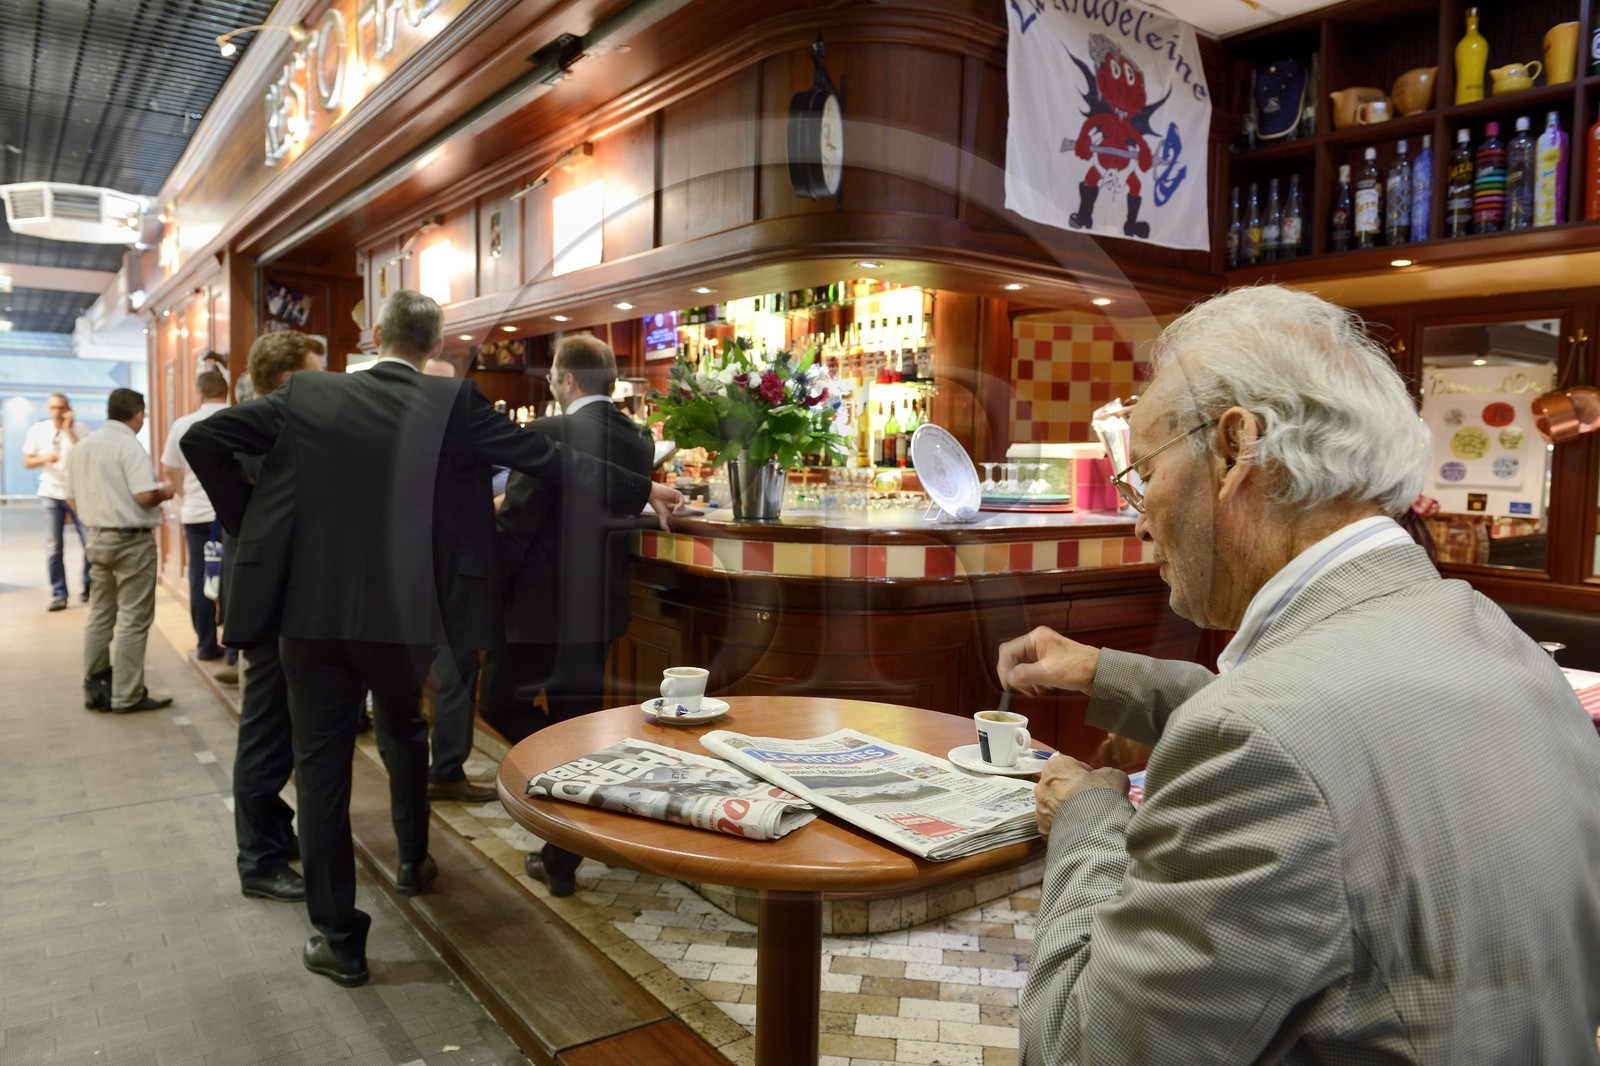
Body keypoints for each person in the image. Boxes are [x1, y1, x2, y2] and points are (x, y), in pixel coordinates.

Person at [995, 285, 1600, 1064]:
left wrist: (1089, 824)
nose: (1140, 516)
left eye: (1143, 471)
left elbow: (1078, 1050)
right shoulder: (1498, 643)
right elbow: (1334, 737)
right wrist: (1103, 671)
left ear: (1236, 449)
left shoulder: (1261, 740)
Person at [182, 291, 683, 988]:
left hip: (311, 614)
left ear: (376, 335)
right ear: (436, 345)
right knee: (404, 731)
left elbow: (203, 440)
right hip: (403, 612)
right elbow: (543, 456)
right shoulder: (454, 404)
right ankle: (415, 860)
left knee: (320, 768)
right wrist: (641, 490)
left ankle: (338, 939)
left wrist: (255, 523)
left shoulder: (311, 396)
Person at [479, 334, 654, 896]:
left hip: (537, 605)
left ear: (568, 381)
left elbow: (521, 521)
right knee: (579, 721)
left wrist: (489, 589)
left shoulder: (548, 434)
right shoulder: (640, 441)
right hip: (598, 605)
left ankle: (562, 781)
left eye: (553, 375)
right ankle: (561, 857)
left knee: (502, 704)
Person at [226, 331, 326, 905]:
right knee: (264, 732)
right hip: (270, 607)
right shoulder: (258, 431)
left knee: (278, 730)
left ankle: (271, 831)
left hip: (289, 602)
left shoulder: (276, 429)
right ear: (289, 380)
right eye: (317, 373)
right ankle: (258, 859)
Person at [417, 350, 497, 804]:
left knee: (456, 668)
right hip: (426, 569)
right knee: (443, 670)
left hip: (456, 571)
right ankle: (438, 771)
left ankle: (443, 769)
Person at [64, 388, 176, 714]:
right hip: (132, 542)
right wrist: (166, 491)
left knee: (100, 615)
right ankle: (127, 695)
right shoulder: (128, 445)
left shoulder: (83, 447)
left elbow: (70, 498)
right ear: (138, 415)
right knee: (133, 619)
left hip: (97, 538)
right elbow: (144, 496)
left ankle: (95, 688)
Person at [160, 371, 232, 661]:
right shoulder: (239, 417)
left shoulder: (183, 424)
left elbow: (169, 469)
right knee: (232, 579)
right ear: (226, 392)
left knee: (200, 579)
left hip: (195, 517)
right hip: (232, 516)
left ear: (199, 392)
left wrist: (184, 494)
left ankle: (205, 644)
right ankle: (235, 651)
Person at [24, 393, 91, 611]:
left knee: (90, 543)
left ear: (69, 408)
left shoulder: (80, 429)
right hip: (50, 492)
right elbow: (28, 460)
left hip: (77, 493)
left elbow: (86, 455)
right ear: (48, 408)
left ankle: (88, 584)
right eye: (53, 408)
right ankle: (59, 594)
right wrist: (45, 459)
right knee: (54, 547)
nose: (57, 412)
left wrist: (68, 430)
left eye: (61, 407)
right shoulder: (38, 430)